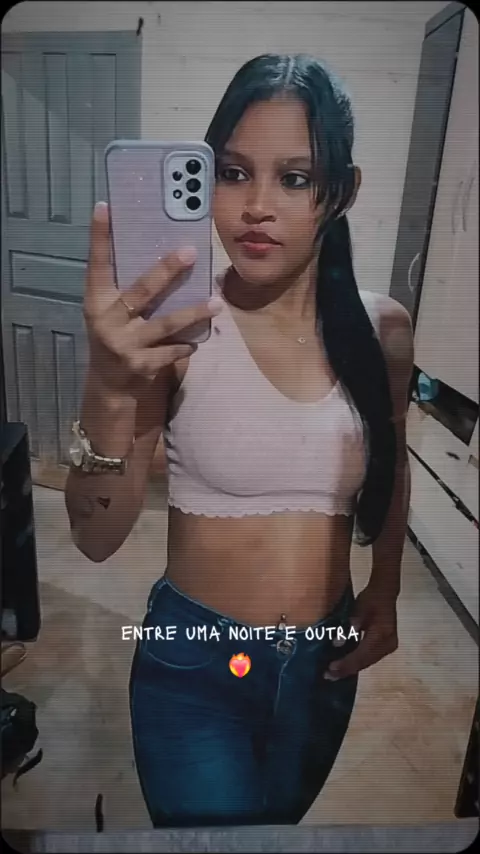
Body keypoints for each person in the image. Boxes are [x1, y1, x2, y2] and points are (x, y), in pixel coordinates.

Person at [65, 53, 414, 827]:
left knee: (277, 833)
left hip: (324, 664)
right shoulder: (178, 331)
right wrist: (110, 382)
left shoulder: (381, 328)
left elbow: (394, 465)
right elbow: (94, 537)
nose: (256, 206)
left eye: (294, 178)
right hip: (194, 665)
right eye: (232, 172)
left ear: (342, 192)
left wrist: (385, 588)